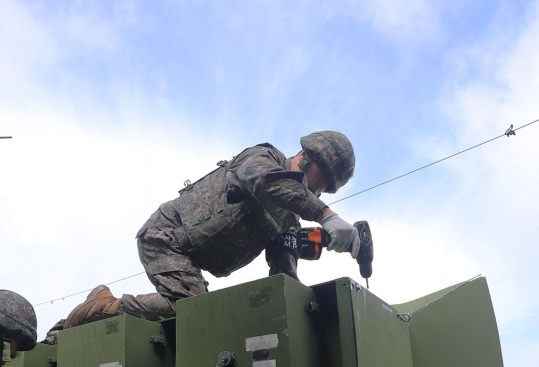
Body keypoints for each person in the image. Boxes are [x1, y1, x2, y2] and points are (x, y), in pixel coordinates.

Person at [66, 131, 361, 327]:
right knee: (191, 308)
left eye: (325, 190)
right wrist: (325, 215)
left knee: (194, 315)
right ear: (306, 156)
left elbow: (284, 264)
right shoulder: (263, 159)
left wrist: (291, 304)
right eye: (319, 181)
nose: (318, 192)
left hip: (191, 258)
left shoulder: (288, 217)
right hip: (166, 236)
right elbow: (266, 182)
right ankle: (105, 306)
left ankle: (121, 319)